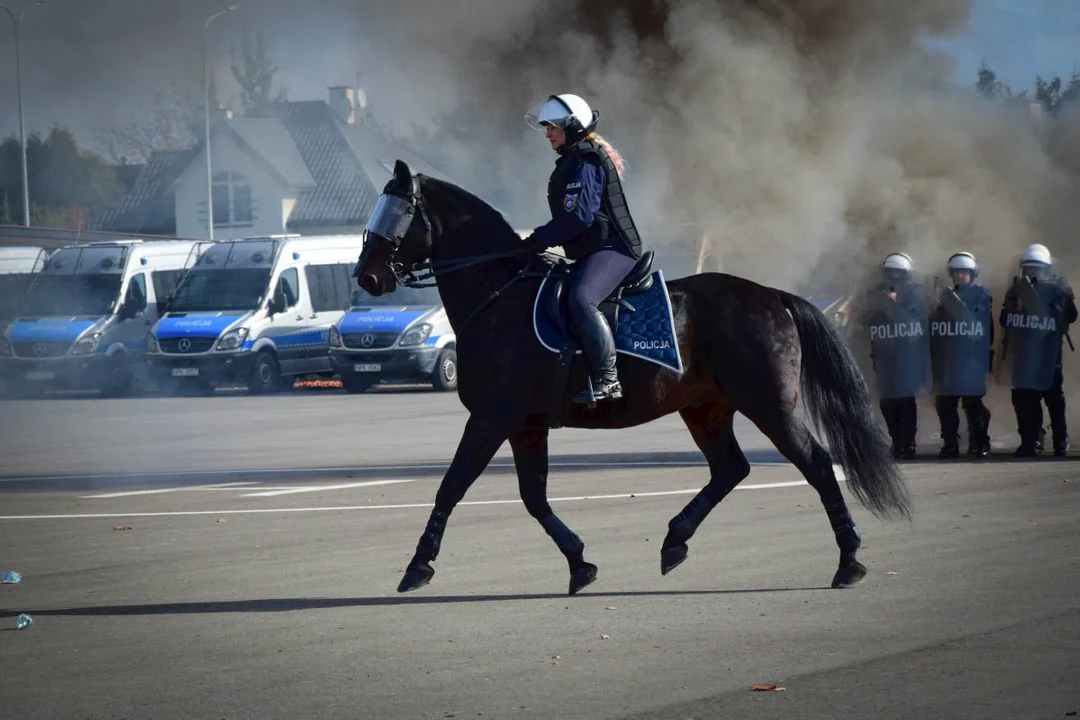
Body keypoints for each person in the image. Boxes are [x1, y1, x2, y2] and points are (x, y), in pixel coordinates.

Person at [522, 93, 645, 403]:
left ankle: (608, 378)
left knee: (582, 298)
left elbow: (579, 217)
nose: (547, 133)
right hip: (592, 249)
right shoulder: (574, 159)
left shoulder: (586, 161)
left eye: (552, 127)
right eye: (546, 127)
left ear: (572, 128)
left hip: (614, 249)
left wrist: (539, 238)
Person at [999, 243, 1078, 456]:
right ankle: (1030, 440)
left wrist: (1067, 298)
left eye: (1037, 268)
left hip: (1048, 356)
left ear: (1046, 270)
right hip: (1023, 355)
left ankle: (1061, 439)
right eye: (1029, 268)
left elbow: (1070, 316)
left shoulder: (1056, 290)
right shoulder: (1016, 291)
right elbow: (1005, 321)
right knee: (1024, 399)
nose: (1032, 273)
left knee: (1054, 399)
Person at [861, 252, 932, 460]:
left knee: (906, 401)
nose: (893, 277)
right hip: (885, 357)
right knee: (887, 402)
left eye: (897, 273)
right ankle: (896, 440)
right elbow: (866, 321)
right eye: (889, 273)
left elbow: (914, 321)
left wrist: (889, 304)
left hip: (908, 357)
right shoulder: (875, 295)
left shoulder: (916, 294)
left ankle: (908, 443)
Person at [929, 252, 993, 459]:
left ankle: (981, 442)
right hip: (948, 361)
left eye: (964, 273)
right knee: (945, 403)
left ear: (972, 274)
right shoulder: (942, 298)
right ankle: (950, 443)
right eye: (956, 272)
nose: (959, 276)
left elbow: (986, 331)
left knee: (973, 404)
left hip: (970, 360)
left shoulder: (981, 296)